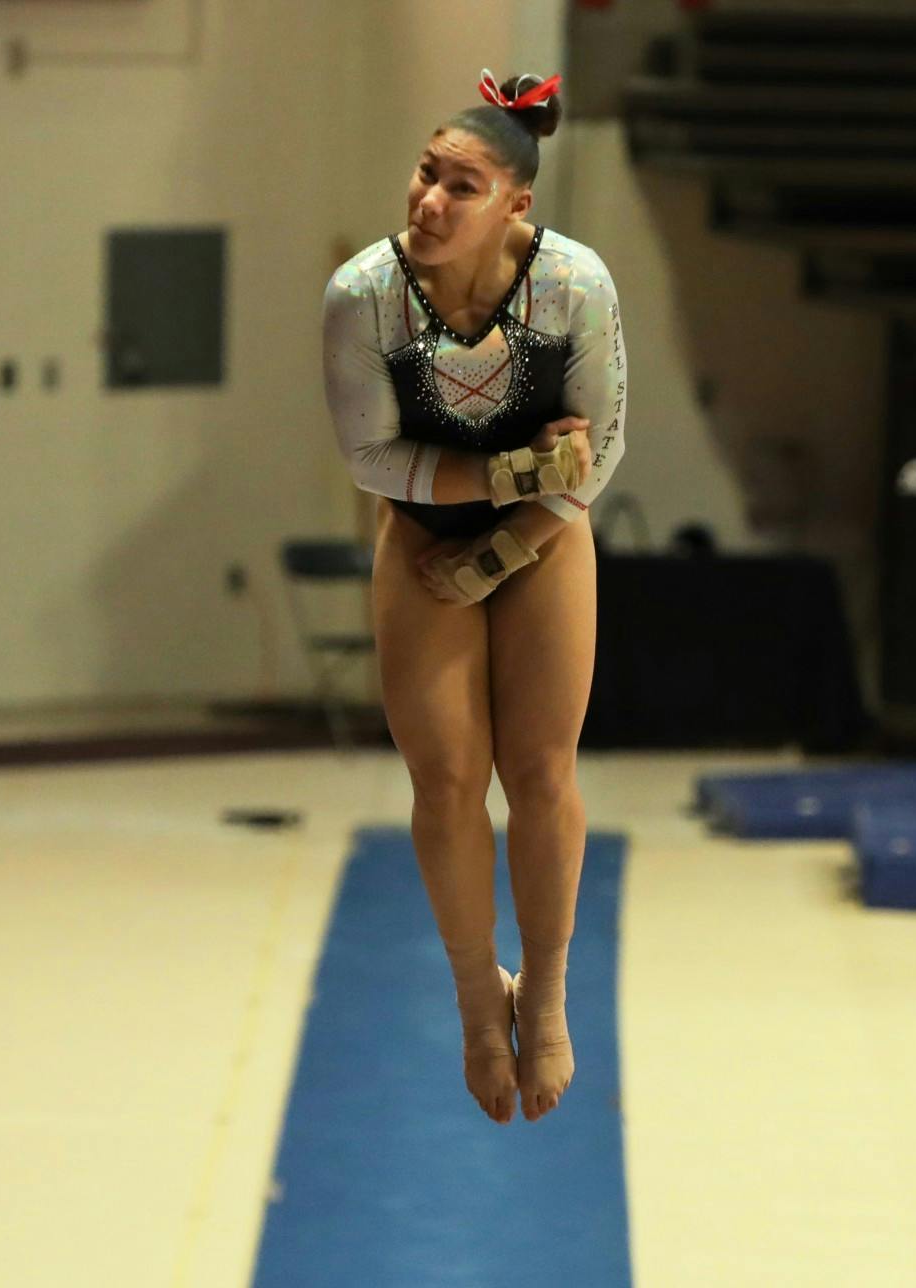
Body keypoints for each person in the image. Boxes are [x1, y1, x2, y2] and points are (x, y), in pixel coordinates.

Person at [320, 70, 626, 1123]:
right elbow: (369, 455)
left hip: (542, 541)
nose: (428, 202)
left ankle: (541, 993)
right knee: (446, 778)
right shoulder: (363, 293)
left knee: (536, 770)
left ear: (514, 205)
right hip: (421, 534)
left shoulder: (573, 283)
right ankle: (470, 993)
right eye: (423, 173)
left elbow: (603, 443)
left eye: (461, 186)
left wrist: (510, 538)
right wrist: (501, 480)